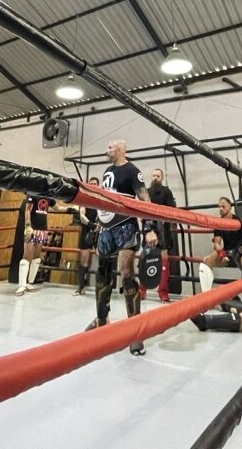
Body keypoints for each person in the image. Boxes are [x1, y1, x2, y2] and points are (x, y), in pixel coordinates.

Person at [86, 139, 157, 356]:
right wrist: (97, 225)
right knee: (103, 270)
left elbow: (144, 199)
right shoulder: (107, 171)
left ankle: (135, 331)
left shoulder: (132, 170)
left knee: (126, 271)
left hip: (125, 226)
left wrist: (149, 228)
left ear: (120, 150)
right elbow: (103, 199)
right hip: (107, 227)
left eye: (110, 147)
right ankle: (102, 319)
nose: (106, 150)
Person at [15, 196, 75, 296]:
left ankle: (30, 282)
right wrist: (28, 225)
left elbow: (57, 208)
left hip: (42, 229)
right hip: (32, 228)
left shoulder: (49, 196)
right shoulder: (33, 193)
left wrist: (69, 209)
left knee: (36, 257)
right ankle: (22, 285)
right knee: (27, 256)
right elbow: (27, 209)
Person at [198, 197, 242, 294]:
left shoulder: (240, 222)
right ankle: (206, 296)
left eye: (223, 206)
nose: (221, 209)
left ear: (230, 207)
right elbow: (217, 243)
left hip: (241, 254)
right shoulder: (218, 223)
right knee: (206, 261)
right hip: (227, 254)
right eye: (219, 207)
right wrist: (221, 254)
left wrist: (239, 251)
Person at [140, 167, 176, 303]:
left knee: (164, 258)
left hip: (162, 228)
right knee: (146, 257)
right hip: (149, 227)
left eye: (158, 176)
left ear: (162, 178)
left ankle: (163, 292)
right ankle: (142, 290)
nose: (155, 178)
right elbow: (141, 210)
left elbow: (172, 210)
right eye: (153, 176)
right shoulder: (147, 192)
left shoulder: (166, 191)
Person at [73, 176, 100, 296]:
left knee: (102, 258)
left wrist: (98, 226)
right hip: (87, 230)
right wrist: (92, 225)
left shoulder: (101, 200)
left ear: (98, 186)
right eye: (91, 183)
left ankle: (103, 288)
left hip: (99, 231)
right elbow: (82, 216)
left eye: (95, 184)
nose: (93, 185)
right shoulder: (84, 199)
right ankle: (81, 287)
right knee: (84, 259)